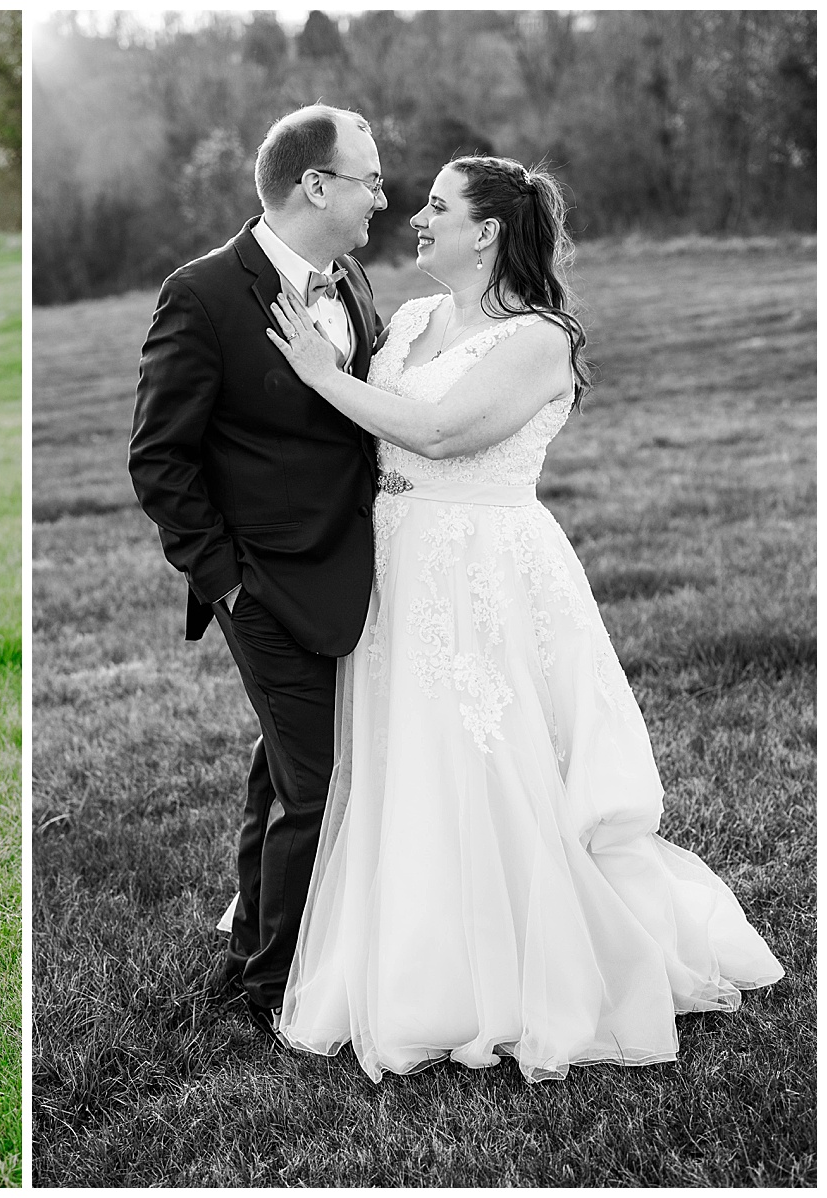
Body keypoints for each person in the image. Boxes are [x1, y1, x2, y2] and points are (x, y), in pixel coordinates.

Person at [264, 155, 784, 1082]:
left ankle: (519, 969)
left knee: (489, 757)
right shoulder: (417, 318)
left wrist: (316, 372)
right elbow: (376, 429)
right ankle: (412, 957)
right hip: (396, 563)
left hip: (483, 569)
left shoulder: (539, 338)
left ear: (489, 230)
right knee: (404, 758)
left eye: (437, 207)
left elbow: (439, 432)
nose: (416, 218)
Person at [129, 105, 388, 1033]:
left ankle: (254, 949)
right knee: (319, 784)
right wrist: (227, 580)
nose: (381, 195)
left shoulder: (350, 279)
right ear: (315, 185)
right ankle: (267, 987)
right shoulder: (201, 294)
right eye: (368, 177)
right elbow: (160, 459)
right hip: (266, 584)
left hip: (354, 569)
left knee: (280, 770)